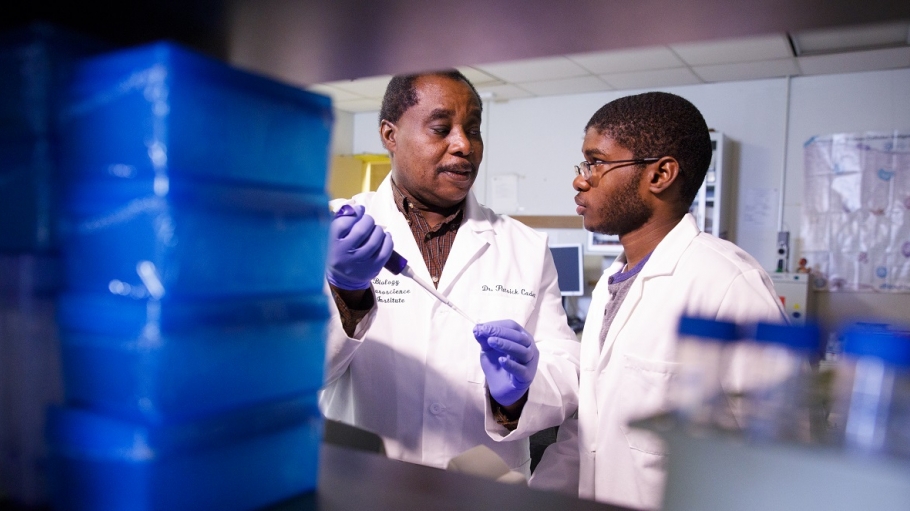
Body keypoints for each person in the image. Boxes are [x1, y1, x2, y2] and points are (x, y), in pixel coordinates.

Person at [529, 91, 787, 509]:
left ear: (660, 174)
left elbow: (783, 459)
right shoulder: (612, 282)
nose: (580, 179)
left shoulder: (728, 284)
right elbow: (588, 436)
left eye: (596, 162)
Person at [319, 70, 579, 478]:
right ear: (390, 134)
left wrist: (516, 395)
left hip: (483, 489)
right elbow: (292, 371)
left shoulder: (525, 247)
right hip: (362, 483)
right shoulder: (334, 230)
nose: (464, 145)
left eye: (473, 130)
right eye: (441, 128)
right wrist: (344, 292)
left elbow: (566, 368)